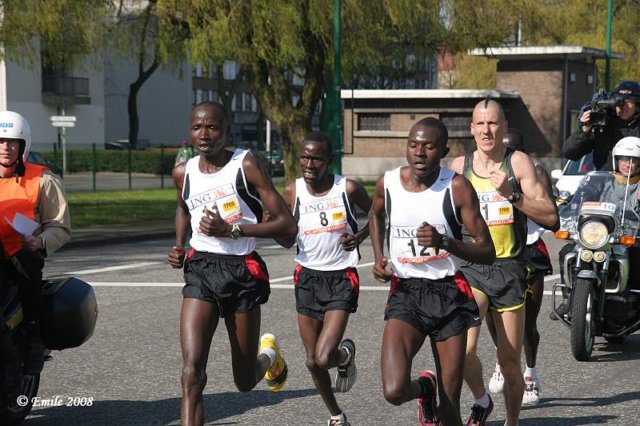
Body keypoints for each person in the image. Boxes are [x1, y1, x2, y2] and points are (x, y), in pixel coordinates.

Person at [167, 101, 298, 426]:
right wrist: (179, 243)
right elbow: (183, 208)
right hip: (201, 269)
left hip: (242, 271)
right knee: (191, 373)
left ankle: (269, 357)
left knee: (244, 381)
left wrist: (232, 230)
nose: (204, 134)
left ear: (226, 131)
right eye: (197, 127)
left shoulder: (246, 165)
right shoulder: (183, 172)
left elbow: (287, 225)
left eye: (212, 127)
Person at [369, 117, 495, 425]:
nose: (419, 153)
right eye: (413, 145)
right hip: (407, 292)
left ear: (444, 151)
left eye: (428, 147)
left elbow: (487, 251)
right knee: (394, 390)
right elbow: (374, 214)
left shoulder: (456, 187)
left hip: (449, 293)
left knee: (449, 409)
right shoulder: (388, 183)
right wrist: (379, 257)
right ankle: (425, 387)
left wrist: (444, 242)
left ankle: (442, 401)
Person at [449, 99, 558, 426]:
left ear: (504, 127)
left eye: (493, 123)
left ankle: (512, 421)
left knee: (509, 363)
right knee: (462, 350)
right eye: (480, 124)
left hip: (509, 269)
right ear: (471, 129)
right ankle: (482, 400)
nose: (486, 130)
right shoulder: (459, 167)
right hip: (472, 270)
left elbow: (551, 217)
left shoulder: (519, 163)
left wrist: (512, 195)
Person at [275, 131, 372, 426]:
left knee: (324, 356)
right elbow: (286, 239)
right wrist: (273, 228)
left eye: (316, 158)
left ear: (328, 160)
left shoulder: (347, 188)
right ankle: (336, 415)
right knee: (311, 361)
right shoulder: (292, 191)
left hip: (341, 277)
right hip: (307, 277)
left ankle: (343, 355)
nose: (308, 164)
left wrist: (359, 237)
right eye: (304, 157)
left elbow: (379, 215)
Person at [485, 128, 559, 406]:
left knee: (528, 324)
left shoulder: (536, 172)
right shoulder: (485, 172)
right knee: (492, 316)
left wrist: (515, 195)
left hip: (529, 251)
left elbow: (551, 218)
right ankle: (502, 357)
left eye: (510, 150)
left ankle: (530, 373)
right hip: (497, 251)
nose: (503, 155)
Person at [0, 111, 71, 377]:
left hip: (20, 255)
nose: (6, 147)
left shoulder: (43, 179)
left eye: (12, 142)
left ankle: (33, 338)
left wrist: (39, 240)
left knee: (26, 267)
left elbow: (60, 226)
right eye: (0, 141)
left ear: (23, 145)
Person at [562, 80, 640, 171]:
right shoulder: (601, 124)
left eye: (629, 101)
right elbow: (570, 153)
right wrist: (583, 131)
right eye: (619, 102)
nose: (623, 106)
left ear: (637, 104)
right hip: (606, 178)